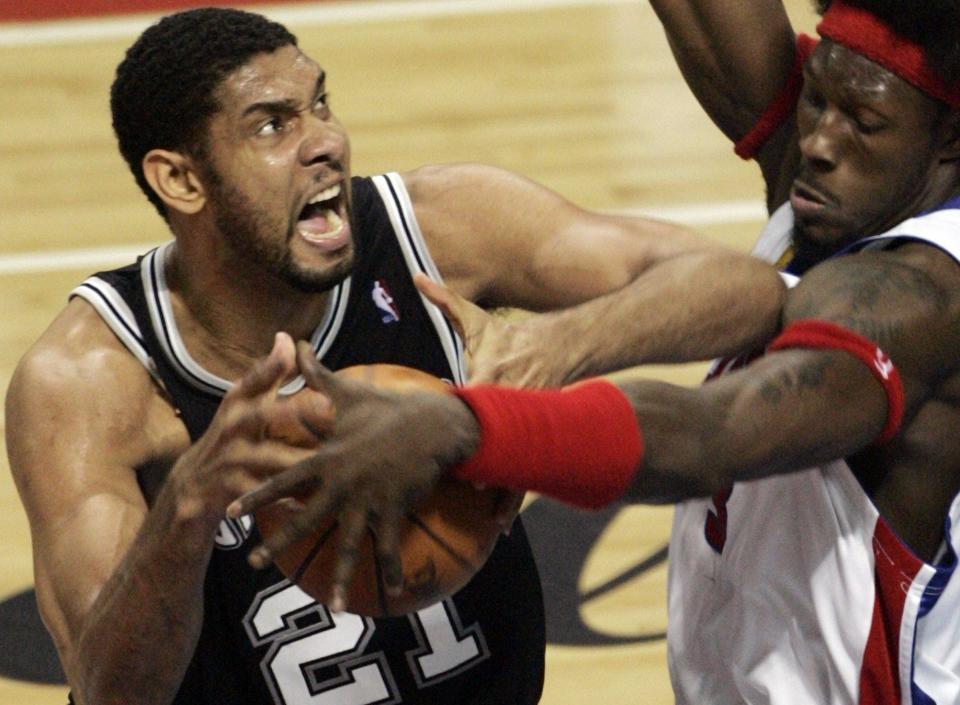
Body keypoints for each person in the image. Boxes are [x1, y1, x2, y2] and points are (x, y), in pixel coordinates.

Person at [2, 7, 786, 705]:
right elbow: (110, 688)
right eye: (272, 125)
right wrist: (188, 509)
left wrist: (557, 344)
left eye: (320, 104)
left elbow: (747, 289)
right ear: (181, 178)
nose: (327, 143)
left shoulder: (440, 229)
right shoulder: (89, 379)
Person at [231, 0, 960, 702]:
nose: (820, 142)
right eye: (815, 99)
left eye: (862, 122)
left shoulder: (917, 297)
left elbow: (711, 434)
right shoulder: (845, 177)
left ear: (949, 140)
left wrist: (465, 424)